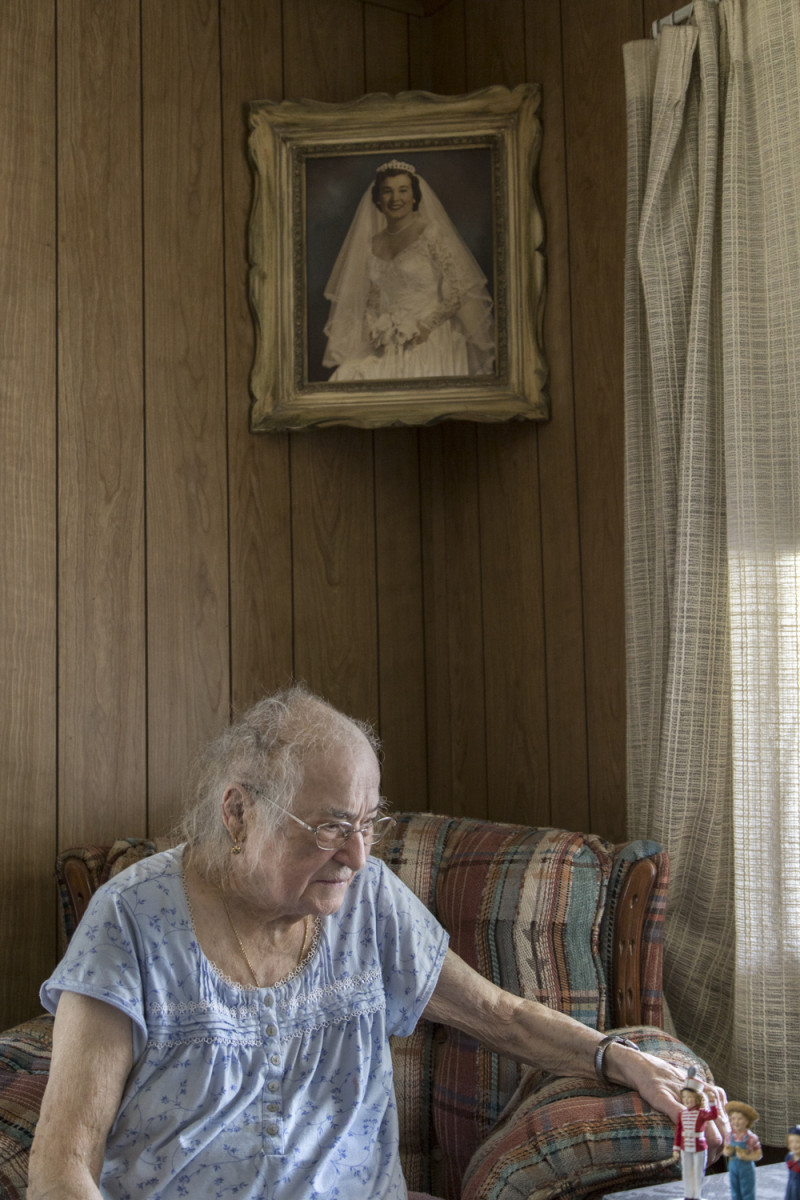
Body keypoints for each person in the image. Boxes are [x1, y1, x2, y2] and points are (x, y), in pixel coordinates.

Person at [28, 685, 728, 1200]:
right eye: (332, 826)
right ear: (239, 813)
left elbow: (496, 1014)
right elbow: (60, 1170)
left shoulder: (368, 901)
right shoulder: (131, 919)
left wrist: (616, 1057)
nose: (358, 856)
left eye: (369, 823)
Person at [322, 159, 495, 381]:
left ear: (414, 197)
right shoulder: (372, 244)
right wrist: (377, 328)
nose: (396, 199)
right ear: (378, 199)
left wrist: (426, 325)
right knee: (346, 376)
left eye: (403, 190)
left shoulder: (431, 234)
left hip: (430, 333)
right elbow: (373, 301)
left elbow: (460, 289)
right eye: (387, 192)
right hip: (388, 339)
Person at [673, 1067, 720, 1199]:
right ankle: (688, 1195)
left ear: (697, 1099)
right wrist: (676, 1147)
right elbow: (679, 1132)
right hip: (685, 1147)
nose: (687, 1100)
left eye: (690, 1098)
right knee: (687, 1171)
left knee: (698, 1171)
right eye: (685, 1097)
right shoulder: (682, 1114)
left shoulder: (702, 1113)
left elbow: (713, 1114)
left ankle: (697, 1195)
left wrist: (712, 1102)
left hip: (699, 1147)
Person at [723, 1101, 762, 1200]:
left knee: (747, 1192)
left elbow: (759, 1154)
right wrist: (727, 1152)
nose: (736, 1122)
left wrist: (747, 1157)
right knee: (735, 1191)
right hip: (733, 1167)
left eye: (740, 1118)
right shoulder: (729, 1136)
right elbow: (725, 1149)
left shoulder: (751, 1137)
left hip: (746, 1169)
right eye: (733, 1118)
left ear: (747, 1121)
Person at [787, 1125, 800, 1200]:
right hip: (791, 1185)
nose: (794, 1145)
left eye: (798, 1142)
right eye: (791, 1141)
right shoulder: (789, 1157)